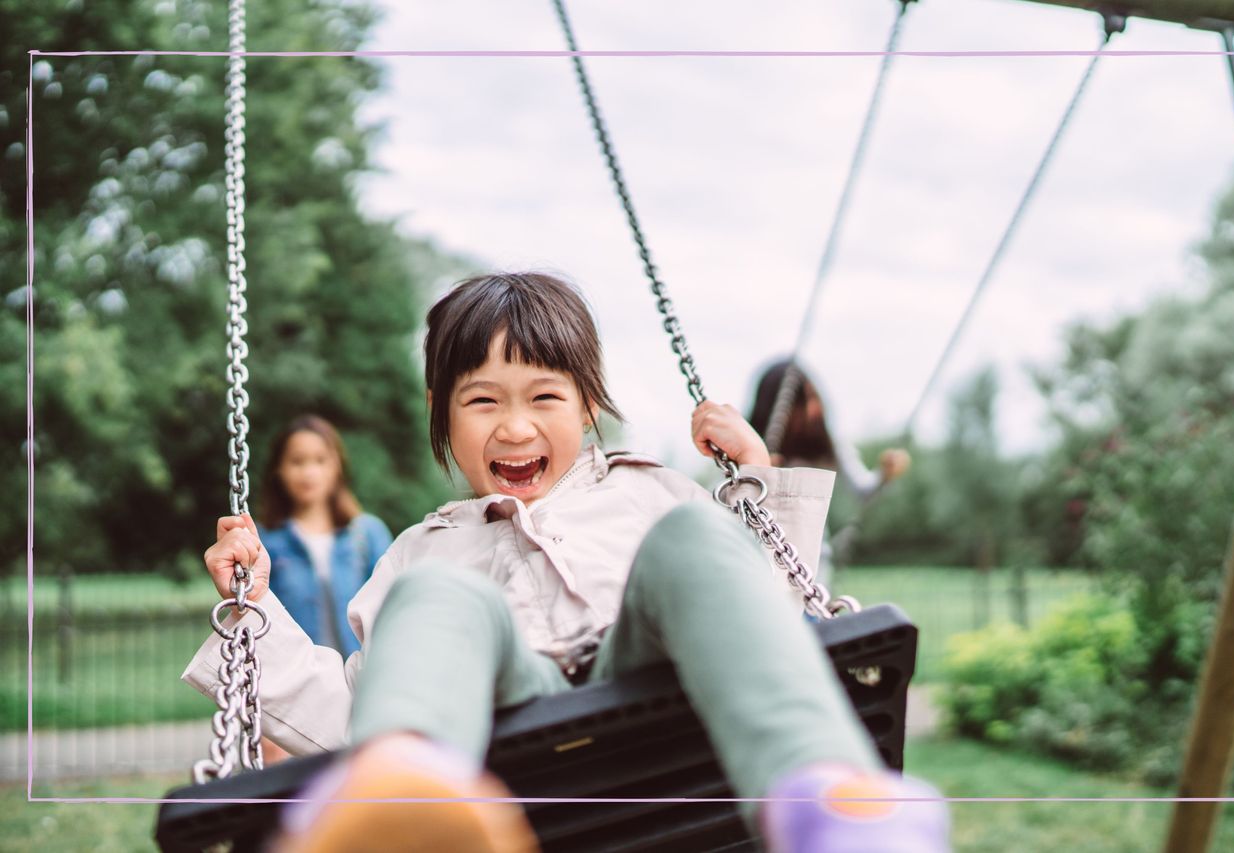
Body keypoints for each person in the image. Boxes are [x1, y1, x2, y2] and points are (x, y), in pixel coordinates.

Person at [186, 273, 948, 853]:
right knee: (438, 595)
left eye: (543, 396)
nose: (515, 426)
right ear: (440, 411)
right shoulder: (421, 550)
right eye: (482, 401)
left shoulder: (652, 491)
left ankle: (830, 800)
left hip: (652, 687)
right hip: (505, 729)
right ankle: (405, 792)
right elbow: (357, 706)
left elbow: (759, 626)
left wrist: (759, 489)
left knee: (696, 539)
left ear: (586, 405)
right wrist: (254, 614)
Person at [748, 359, 911, 579]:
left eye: (813, 399)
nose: (811, 410)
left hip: (810, 562)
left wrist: (885, 474)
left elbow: (863, 491)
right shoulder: (752, 445)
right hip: (759, 556)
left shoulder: (829, 445)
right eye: (801, 403)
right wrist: (757, 469)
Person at [259, 414, 393, 658]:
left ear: (337, 466)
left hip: (359, 682)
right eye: (297, 461)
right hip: (295, 681)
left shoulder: (367, 535)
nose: (309, 472)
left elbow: (391, 611)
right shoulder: (264, 540)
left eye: (320, 461)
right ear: (279, 469)